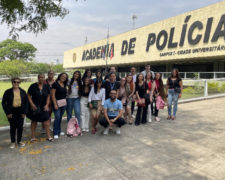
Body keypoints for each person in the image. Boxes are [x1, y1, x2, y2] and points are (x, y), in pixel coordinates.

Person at [2, 77, 28, 148]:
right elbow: (4, 103)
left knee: (20, 127)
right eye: (14, 82)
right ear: (12, 82)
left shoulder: (23, 91)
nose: (16, 83)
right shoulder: (8, 92)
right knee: (13, 127)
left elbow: (26, 102)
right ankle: (13, 142)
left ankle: (19, 141)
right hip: (11, 111)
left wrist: (24, 112)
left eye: (18, 82)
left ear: (19, 83)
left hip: (21, 111)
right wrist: (8, 113)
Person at [27, 74, 53, 142]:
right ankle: (33, 136)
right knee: (34, 121)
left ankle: (48, 136)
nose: (41, 79)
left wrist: (47, 104)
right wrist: (32, 104)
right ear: (38, 78)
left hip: (44, 106)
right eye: (39, 77)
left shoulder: (46, 86)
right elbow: (29, 95)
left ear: (44, 78)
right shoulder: (33, 86)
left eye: (42, 77)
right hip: (35, 106)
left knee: (47, 121)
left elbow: (48, 96)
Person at [51, 73, 68, 139]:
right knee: (57, 117)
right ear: (59, 76)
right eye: (62, 76)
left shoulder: (64, 84)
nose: (63, 77)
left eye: (65, 77)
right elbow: (52, 95)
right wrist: (55, 104)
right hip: (56, 103)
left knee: (60, 117)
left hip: (63, 103)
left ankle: (59, 130)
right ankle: (55, 132)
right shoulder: (55, 84)